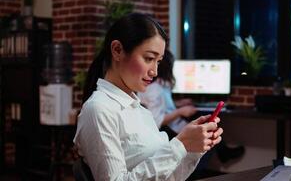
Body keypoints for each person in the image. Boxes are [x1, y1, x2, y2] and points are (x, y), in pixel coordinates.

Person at [73, 13, 223, 181]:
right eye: (149, 58)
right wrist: (180, 144)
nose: (155, 72)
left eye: (158, 61)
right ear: (117, 51)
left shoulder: (141, 111)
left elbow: (171, 177)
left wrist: (192, 147)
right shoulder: (99, 109)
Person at [138, 49, 245, 165]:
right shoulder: (155, 89)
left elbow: (161, 106)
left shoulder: (159, 85)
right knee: (204, 129)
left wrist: (178, 103)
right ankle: (221, 154)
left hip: (173, 126)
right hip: (167, 130)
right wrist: (180, 111)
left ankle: (223, 152)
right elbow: (157, 121)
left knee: (203, 120)